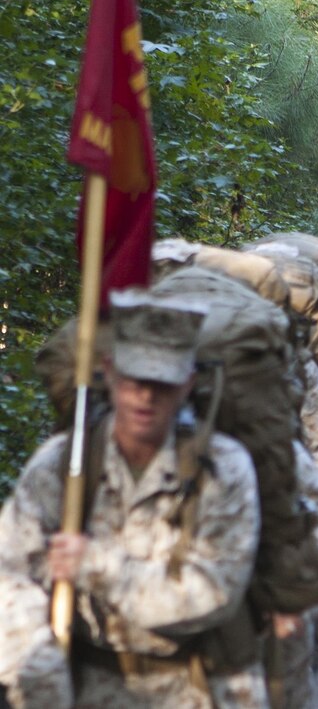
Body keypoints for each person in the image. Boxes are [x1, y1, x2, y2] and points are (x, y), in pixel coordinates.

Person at [0, 290, 266, 707]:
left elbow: (211, 593)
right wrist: (39, 670)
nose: (147, 395)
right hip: (89, 683)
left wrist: (95, 565)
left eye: (163, 382)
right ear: (110, 371)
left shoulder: (221, 467)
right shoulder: (63, 463)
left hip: (201, 684)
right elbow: (11, 573)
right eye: (137, 379)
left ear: (188, 384)